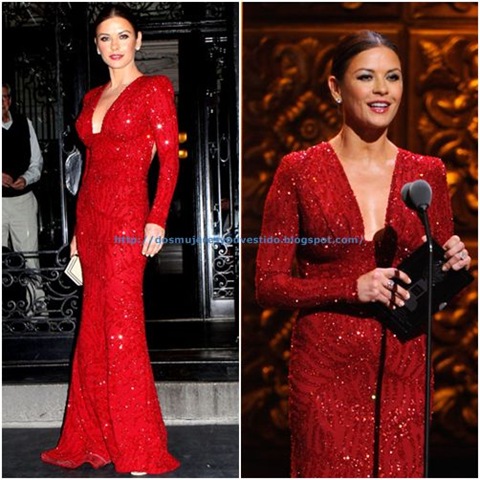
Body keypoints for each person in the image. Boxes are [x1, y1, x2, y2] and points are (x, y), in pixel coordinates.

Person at [255, 30, 471, 478]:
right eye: (367, 77)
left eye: (392, 77)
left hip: (403, 368)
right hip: (326, 369)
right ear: (336, 87)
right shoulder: (298, 171)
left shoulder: (427, 172)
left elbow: (435, 291)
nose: (381, 90)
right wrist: (351, 287)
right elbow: (268, 285)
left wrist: (453, 269)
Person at [41, 4, 180, 476]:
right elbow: (90, 172)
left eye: (123, 36)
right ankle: (94, 434)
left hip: (127, 217)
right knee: (95, 327)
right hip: (93, 220)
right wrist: (79, 237)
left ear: (138, 40)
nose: (115, 46)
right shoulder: (91, 96)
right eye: (106, 38)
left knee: (123, 327)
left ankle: (136, 446)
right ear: (97, 45)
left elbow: (170, 161)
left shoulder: (154, 89)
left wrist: (156, 219)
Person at [2, 82, 46, 313]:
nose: (2, 102)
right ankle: (5, 316)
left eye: (5, 97)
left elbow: (36, 162)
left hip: (22, 200)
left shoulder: (24, 124)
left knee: (30, 257)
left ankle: (37, 313)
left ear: (10, 99)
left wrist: (26, 178)